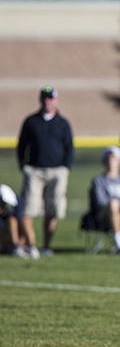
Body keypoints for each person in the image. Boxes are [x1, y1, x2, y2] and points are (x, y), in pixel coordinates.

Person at [16, 86, 74, 256]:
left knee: (53, 210)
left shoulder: (62, 123)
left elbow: (69, 147)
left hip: (57, 171)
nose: (47, 102)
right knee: (28, 209)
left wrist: (66, 167)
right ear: (40, 100)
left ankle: (46, 245)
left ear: (56, 100)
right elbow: (21, 146)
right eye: (45, 98)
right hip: (35, 170)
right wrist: (24, 166)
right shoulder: (31, 122)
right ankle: (31, 245)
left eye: (51, 98)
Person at [84, 146, 120, 253]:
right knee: (113, 204)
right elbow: (101, 202)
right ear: (104, 161)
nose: (111, 162)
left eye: (114, 158)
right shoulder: (98, 181)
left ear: (119, 161)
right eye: (108, 158)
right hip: (104, 215)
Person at [0, 184, 30, 258]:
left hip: (9, 239)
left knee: (25, 220)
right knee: (12, 221)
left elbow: (20, 219)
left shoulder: (16, 205)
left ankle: (30, 247)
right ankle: (16, 248)